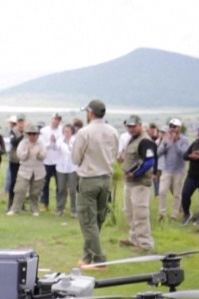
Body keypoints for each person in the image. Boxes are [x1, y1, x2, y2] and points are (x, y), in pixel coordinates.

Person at [72, 99, 119, 269]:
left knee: (87, 221)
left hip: (89, 179)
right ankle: (87, 257)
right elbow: (115, 154)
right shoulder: (113, 131)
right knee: (97, 220)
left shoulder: (85, 132)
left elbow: (75, 158)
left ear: (91, 113)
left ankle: (99, 260)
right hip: (106, 179)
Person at [119, 115, 157, 251]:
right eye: (129, 126)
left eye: (133, 126)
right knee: (129, 212)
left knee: (140, 213)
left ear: (140, 125)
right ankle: (134, 238)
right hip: (130, 182)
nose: (131, 129)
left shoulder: (145, 141)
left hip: (140, 183)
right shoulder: (133, 139)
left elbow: (150, 161)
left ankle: (145, 244)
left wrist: (136, 173)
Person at [7, 124, 46, 216]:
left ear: (37, 135)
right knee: (20, 189)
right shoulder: (23, 143)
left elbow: (43, 155)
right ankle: (15, 209)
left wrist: (39, 154)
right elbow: (20, 156)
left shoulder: (41, 143)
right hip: (24, 170)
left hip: (38, 171)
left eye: (34, 134)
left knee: (35, 192)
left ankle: (34, 209)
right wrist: (27, 152)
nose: (32, 136)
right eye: (30, 134)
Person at [156, 118, 189, 222]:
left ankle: (174, 215)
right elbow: (158, 153)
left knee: (176, 194)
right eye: (171, 126)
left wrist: (176, 142)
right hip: (167, 170)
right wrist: (165, 143)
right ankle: (161, 213)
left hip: (179, 171)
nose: (172, 129)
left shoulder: (184, 140)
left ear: (179, 128)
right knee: (162, 191)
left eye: (175, 127)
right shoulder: (166, 139)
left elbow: (184, 154)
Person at [40, 113, 63, 211]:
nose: (56, 121)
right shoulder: (44, 131)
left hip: (58, 162)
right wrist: (50, 142)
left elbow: (61, 145)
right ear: (51, 119)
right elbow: (42, 145)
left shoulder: (62, 130)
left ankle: (59, 205)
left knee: (60, 185)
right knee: (45, 184)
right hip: (46, 161)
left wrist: (55, 142)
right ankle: (45, 204)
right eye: (55, 119)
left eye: (58, 120)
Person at [55, 124, 78, 217]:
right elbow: (56, 148)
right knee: (61, 189)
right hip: (61, 168)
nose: (66, 133)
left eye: (68, 131)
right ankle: (60, 208)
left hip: (72, 168)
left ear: (72, 132)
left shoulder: (75, 140)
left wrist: (69, 143)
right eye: (65, 131)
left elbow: (74, 152)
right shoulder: (60, 140)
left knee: (72, 190)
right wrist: (55, 141)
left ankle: (74, 210)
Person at [6, 114, 26, 210]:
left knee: (23, 182)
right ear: (17, 123)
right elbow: (13, 142)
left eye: (22, 122)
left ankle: (21, 203)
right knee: (13, 181)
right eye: (19, 122)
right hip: (14, 160)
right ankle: (11, 203)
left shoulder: (28, 131)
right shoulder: (13, 131)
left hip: (24, 160)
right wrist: (22, 135)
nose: (21, 124)